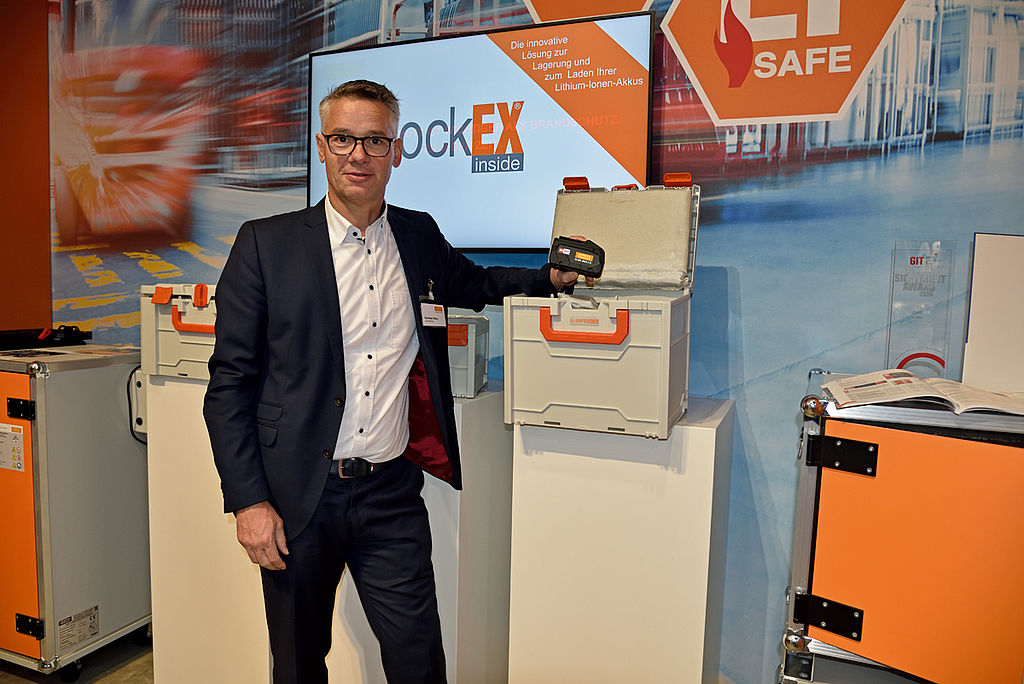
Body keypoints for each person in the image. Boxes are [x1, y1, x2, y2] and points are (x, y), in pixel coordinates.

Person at [203, 79, 585, 684]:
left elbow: (476, 283)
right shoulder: (266, 244)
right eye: (344, 139)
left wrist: (550, 279)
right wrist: (249, 502)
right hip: (298, 496)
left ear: (397, 151)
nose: (359, 154)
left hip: (390, 494)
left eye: (375, 140)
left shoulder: (418, 234)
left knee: (418, 657)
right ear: (322, 147)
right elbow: (229, 384)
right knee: (299, 662)